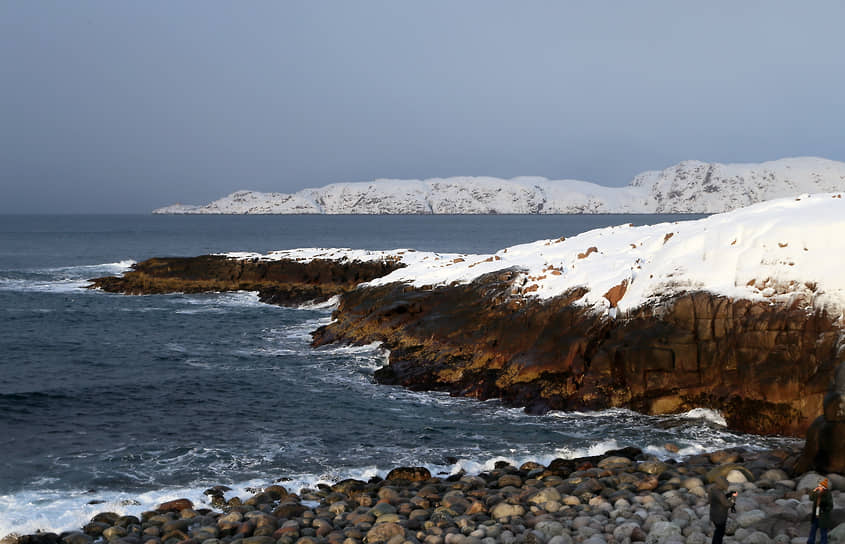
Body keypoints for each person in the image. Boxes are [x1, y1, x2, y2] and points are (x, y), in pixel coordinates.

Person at [709, 476, 737, 544]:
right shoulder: (719, 493)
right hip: (720, 516)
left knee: (718, 531)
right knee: (720, 533)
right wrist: (733, 497)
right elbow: (727, 504)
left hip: (713, 514)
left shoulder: (712, 489)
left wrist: (727, 495)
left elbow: (717, 499)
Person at [807, 477, 833, 544]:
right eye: (819, 486)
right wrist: (814, 490)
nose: (819, 487)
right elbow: (810, 498)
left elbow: (830, 505)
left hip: (823, 516)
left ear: (824, 487)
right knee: (813, 529)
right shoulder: (817, 493)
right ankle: (810, 542)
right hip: (816, 515)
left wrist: (824, 509)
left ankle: (823, 543)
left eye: (820, 486)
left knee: (823, 531)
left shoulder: (827, 494)